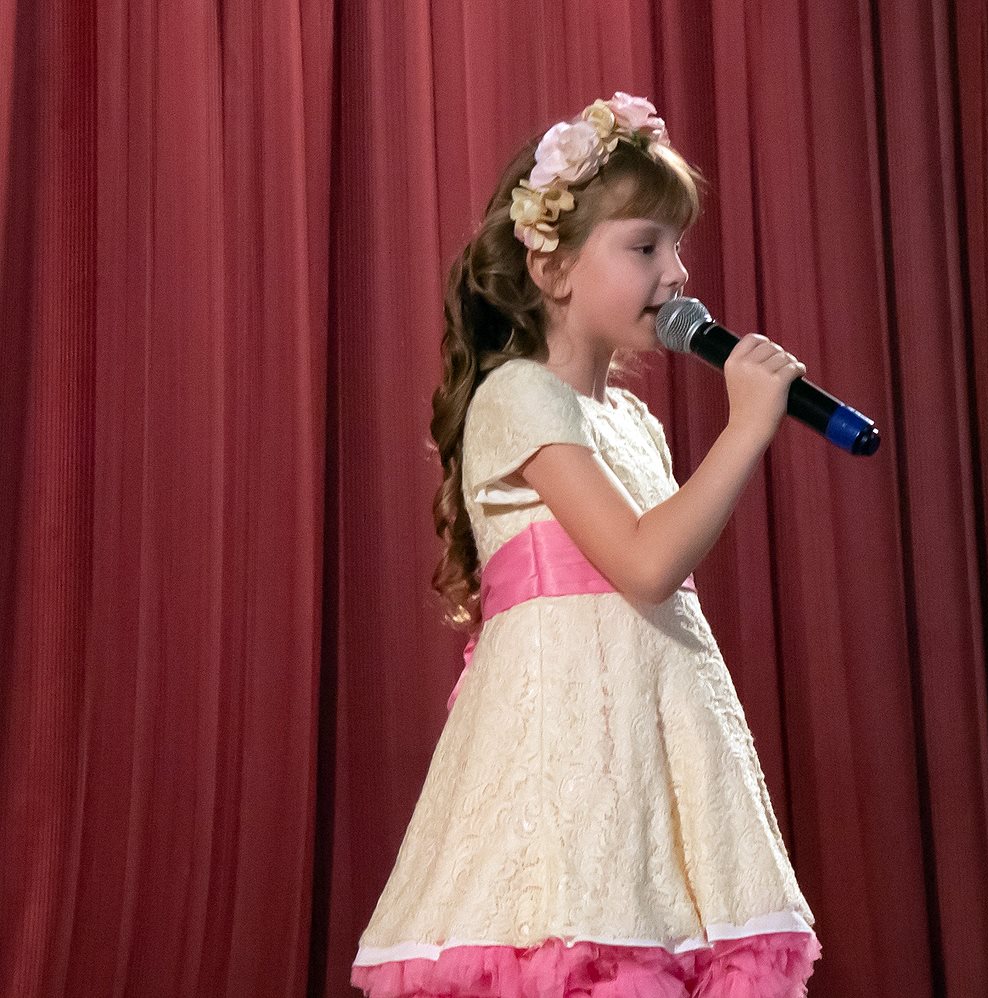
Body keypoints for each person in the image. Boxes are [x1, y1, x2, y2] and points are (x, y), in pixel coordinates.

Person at [350, 92, 821, 998]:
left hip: (651, 761)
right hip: (566, 774)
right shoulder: (519, 396)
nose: (677, 273)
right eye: (645, 247)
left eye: (678, 246)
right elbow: (644, 563)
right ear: (553, 265)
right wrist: (746, 428)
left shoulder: (635, 424)